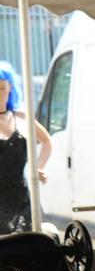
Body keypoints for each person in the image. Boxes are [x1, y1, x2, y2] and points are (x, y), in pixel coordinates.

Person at [0, 61, 51, 234]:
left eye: (2, 88)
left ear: (10, 88)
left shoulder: (22, 117)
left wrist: (39, 167)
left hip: (22, 199)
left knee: (27, 246)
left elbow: (46, 142)